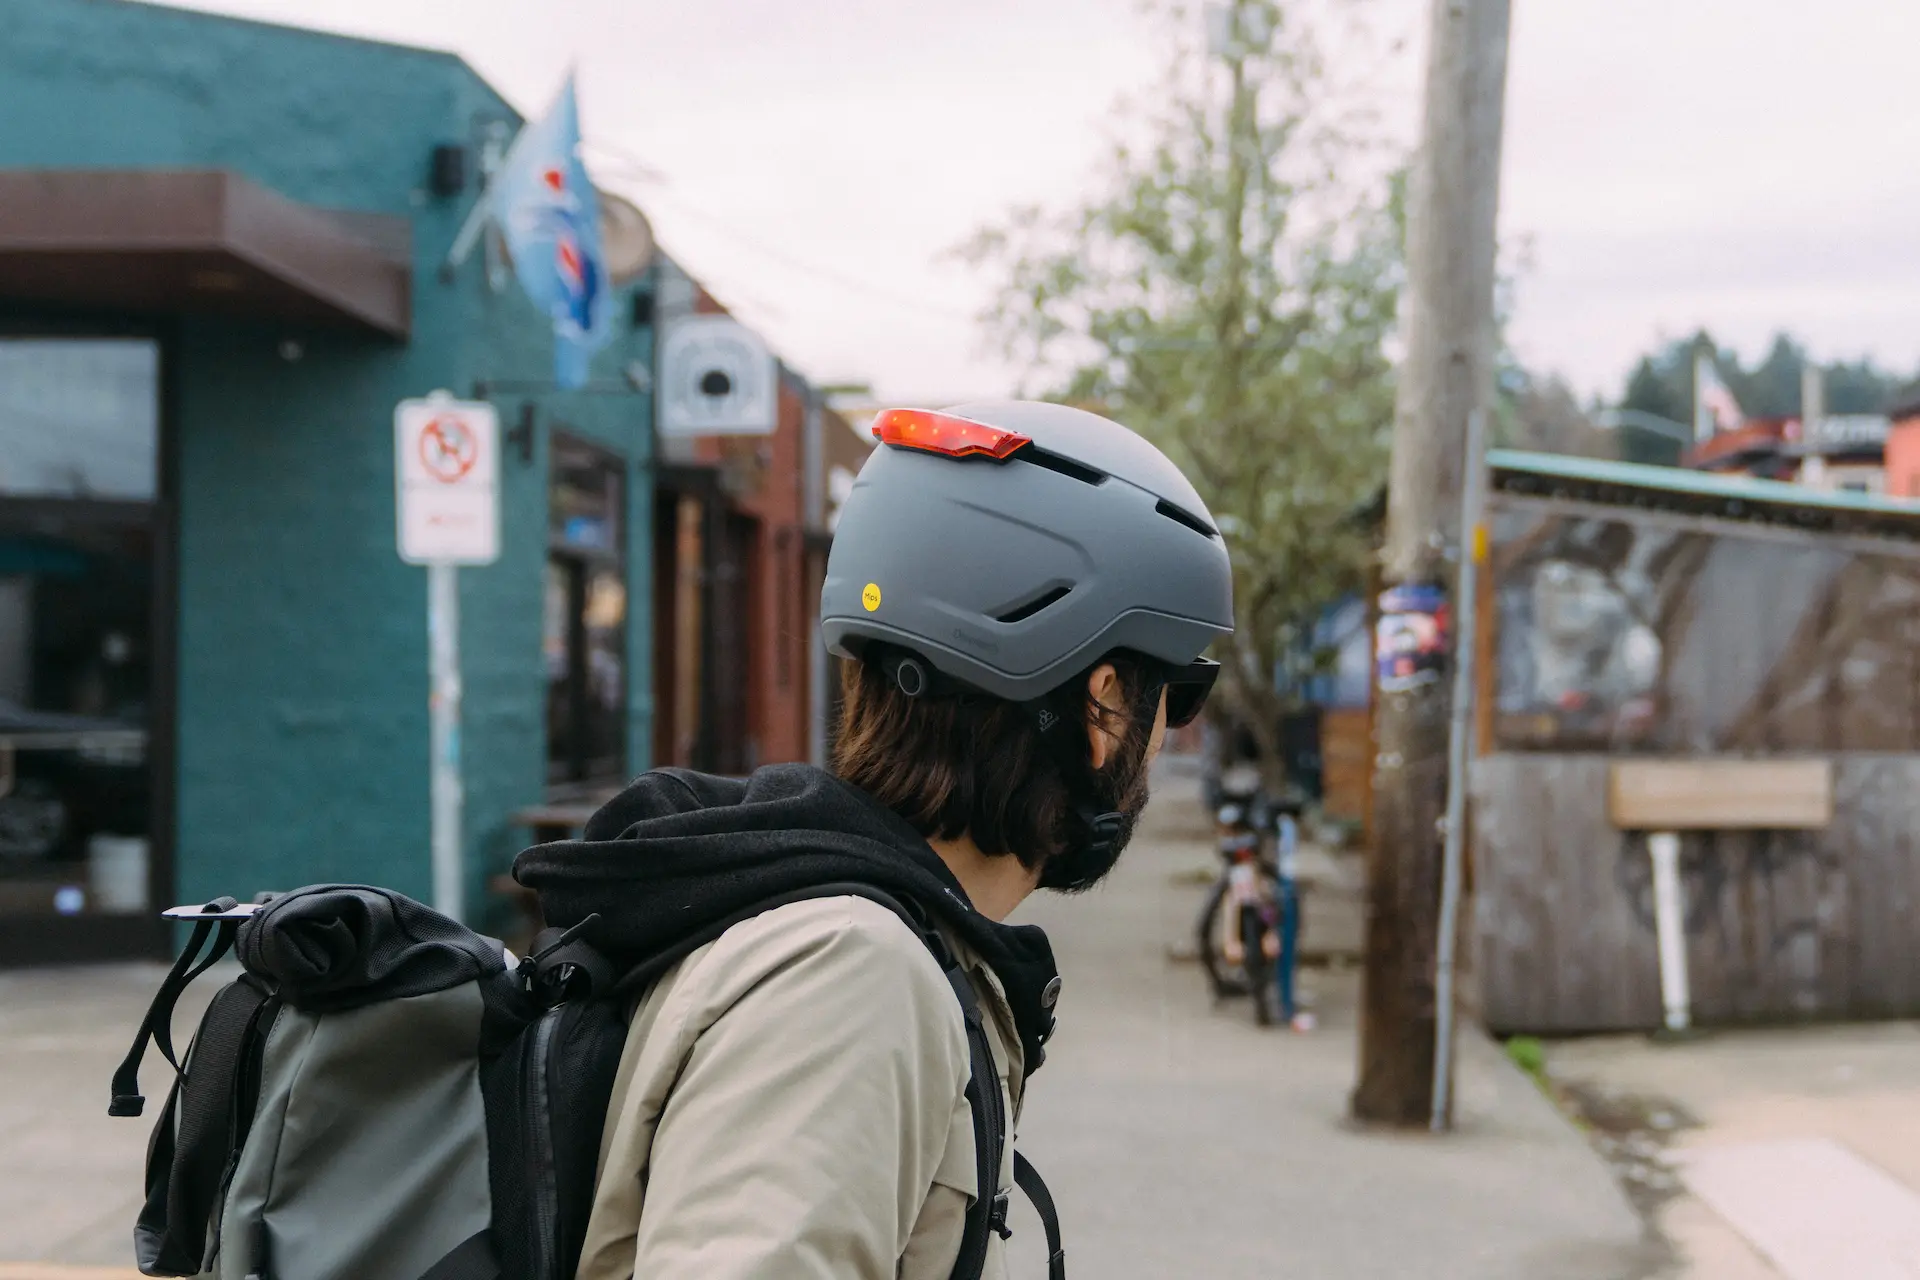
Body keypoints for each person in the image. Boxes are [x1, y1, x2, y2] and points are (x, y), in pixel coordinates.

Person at [558, 401, 1233, 1279]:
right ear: (1103, 703)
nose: (1164, 733)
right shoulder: (852, 979)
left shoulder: (841, 920)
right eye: (1174, 696)